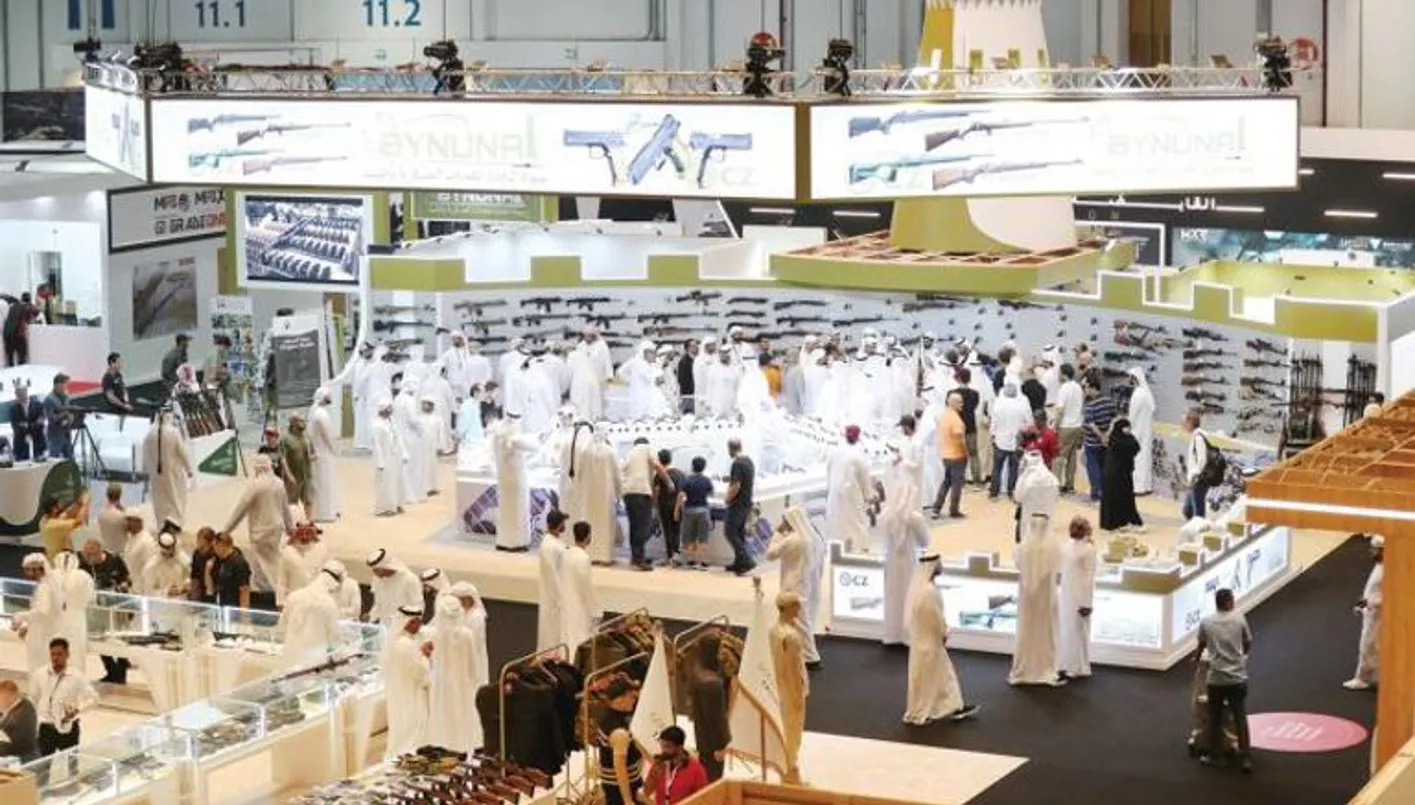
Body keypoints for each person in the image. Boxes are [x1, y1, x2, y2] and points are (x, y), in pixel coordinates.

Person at [904, 553, 980, 725]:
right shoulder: (929, 591)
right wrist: (943, 632)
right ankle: (929, 710)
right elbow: (935, 617)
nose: (941, 566)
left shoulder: (920, 589)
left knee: (941, 677)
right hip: (930, 642)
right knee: (937, 677)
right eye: (939, 563)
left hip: (922, 641)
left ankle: (951, 707)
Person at [221, 454, 294, 609]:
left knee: (264, 565)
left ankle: (274, 594)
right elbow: (285, 509)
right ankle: (274, 590)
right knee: (271, 561)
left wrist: (226, 530)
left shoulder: (256, 485)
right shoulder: (279, 483)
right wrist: (291, 529)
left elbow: (240, 509)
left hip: (261, 531)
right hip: (277, 528)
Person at [883, 415, 930, 646]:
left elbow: (916, 465)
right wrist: (897, 460)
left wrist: (902, 461)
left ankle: (897, 631)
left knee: (898, 593)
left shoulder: (918, 445)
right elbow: (925, 541)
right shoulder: (901, 516)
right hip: (905, 559)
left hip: (911, 485)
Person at [1196, 588, 1253, 772]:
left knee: (1215, 717)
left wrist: (1196, 658)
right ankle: (1246, 757)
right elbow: (1248, 642)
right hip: (1237, 677)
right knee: (1239, 716)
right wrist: (1241, 656)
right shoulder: (1239, 619)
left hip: (1216, 679)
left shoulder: (1206, 622)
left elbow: (1201, 645)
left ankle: (1216, 755)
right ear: (1229, 601)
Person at [1009, 513, 1062, 687]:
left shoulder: (1022, 548)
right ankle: (1044, 667)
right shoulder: (1053, 547)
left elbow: (1017, 563)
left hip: (1027, 599)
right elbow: (1058, 566)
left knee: (1027, 631)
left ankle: (1025, 669)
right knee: (1045, 632)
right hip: (1046, 598)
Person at [426, 594, 480, 754]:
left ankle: (443, 743)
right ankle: (461, 745)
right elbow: (472, 662)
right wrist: (473, 679)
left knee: (443, 712)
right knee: (461, 711)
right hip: (462, 682)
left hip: (441, 682)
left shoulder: (435, 635)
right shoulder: (466, 634)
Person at [30, 638, 97, 761]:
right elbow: (32, 698)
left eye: (59, 654)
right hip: (46, 728)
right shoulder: (40, 674)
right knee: (41, 765)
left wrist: (77, 710)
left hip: (68, 728)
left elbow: (93, 698)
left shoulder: (76, 676)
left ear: (67, 654)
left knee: (72, 765)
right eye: (53, 654)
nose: (55, 658)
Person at [769, 591, 809, 784]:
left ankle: (788, 768)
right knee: (793, 732)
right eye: (796, 605)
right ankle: (790, 773)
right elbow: (794, 670)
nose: (799, 608)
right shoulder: (791, 637)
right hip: (790, 690)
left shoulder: (774, 630)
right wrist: (798, 695)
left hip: (778, 687)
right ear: (787, 608)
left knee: (787, 729)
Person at [383, 605, 433, 760]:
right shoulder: (405, 644)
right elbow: (419, 671)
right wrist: (425, 655)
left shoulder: (399, 641)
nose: (420, 625)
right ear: (409, 622)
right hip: (411, 693)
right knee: (412, 729)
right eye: (417, 622)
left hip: (401, 692)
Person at [78, 539, 132, 683]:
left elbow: (127, 579)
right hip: (97, 608)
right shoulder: (84, 565)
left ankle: (121, 672)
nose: (88, 558)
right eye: (86, 555)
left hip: (117, 606)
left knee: (120, 639)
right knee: (99, 638)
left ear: (99, 550)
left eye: (91, 554)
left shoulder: (114, 560)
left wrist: (120, 587)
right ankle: (111, 670)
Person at [490, 412, 539, 552]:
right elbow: (535, 446)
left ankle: (504, 540)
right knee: (517, 510)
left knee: (505, 510)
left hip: (503, 478)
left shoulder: (498, 433)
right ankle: (516, 542)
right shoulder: (513, 437)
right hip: (516, 479)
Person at [1057, 516, 1097, 680]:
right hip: (1079, 595)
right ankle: (1077, 665)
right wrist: (1087, 603)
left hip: (1067, 593)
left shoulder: (1066, 546)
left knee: (1069, 629)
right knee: (1079, 631)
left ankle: (1066, 663)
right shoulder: (1088, 550)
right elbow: (1089, 578)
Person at [279, 568, 343, 670]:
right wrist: (338, 659)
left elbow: (282, 624)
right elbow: (334, 636)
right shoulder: (329, 603)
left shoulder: (294, 596)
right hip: (314, 661)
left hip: (291, 656)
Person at [826, 424, 875, 554]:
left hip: (835, 495)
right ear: (858, 438)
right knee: (857, 522)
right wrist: (869, 498)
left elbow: (829, 474)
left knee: (837, 524)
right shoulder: (859, 457)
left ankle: (840, 552)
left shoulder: (834, 453)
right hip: (853, 497)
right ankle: (857, 551)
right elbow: (865, 482)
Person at [597, 677, 645, 805]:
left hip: (619, 783)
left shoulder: (608, 716)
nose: (634, 700)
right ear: (619, 699)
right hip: (620, 788)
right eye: (631, 697)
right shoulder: (619, 733)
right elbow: (620, 768)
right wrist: (628, 800)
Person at [143, 409, 192, 533]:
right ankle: (176, 522)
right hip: (174, 473)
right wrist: (189, 469)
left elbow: (145, 455)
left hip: (156, 476)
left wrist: (149, 471)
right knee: (177, 497)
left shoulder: (149, 433)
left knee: (159, 499)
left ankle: (161, 524)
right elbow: (182, 452)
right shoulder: (174, 432)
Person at [1345, 537, 1384, 690]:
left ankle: (1361, 678)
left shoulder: (1388, 570)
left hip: (1378, 615)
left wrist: (1369, 603)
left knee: (1368, 646)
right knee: (1372, 646)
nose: (1372, 552)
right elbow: (1372, 591)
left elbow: (1385, 596)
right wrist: (1362, 604)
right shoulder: (1380, 566)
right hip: (1372, 613)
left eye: (1376, 549)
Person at [621, 437, 662, 570]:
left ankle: (635, 557)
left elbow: (621, 471)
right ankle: (639, 559)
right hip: (641, 492)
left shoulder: (629, 453)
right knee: (643, 526)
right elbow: (657, 465)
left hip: (628, 493)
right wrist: (669, 481)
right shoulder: (647, 448)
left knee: (634, 526)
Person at [14, 554, 58, 673]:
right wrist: (27, 625)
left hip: (43, 634)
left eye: (29, 570)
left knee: (39, 668)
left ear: (38, 569)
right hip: (43, 632)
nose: (27, 573)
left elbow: (42, 612)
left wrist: (20, 616)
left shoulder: (45, 587)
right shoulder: (47, 584)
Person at [645, 725, 710, 805]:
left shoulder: (696, 770)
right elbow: (646, 792)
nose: (663, 751)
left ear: (680, 748)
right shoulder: (659, 765)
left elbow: (704, 799)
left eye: (667, 747)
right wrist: (653, 777)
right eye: (662, 746)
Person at [1099, 418, 1144, 532]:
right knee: (1115, 498)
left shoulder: (1126, 438)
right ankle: (1113, 523)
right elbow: (1130, 448)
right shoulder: (1116, 441)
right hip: (1115, 475)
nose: (1128, 429)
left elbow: (1136, 447)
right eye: (1125, 427)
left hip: (1124, 474)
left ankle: (1124, 521)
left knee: (1126, 498)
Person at [989, 382, 1032, 501]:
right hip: (1016, 441)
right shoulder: (1022, 406)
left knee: (997, 468)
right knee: (1014, 468)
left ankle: (994, 493)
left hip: (1000, 440)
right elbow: (1029, 423)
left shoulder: (998, 405)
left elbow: (993, 423)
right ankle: (1011, 493)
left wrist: (992, 435)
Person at [561, 521, 600, 650]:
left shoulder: (566, 554)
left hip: (566, 605)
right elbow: (586, 587)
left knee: (567, 639)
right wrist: (596, 610)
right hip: (580, 609)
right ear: (588, 536)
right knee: (579, 641)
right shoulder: (583, 558)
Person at [931, 392, 968, 519]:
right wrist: (965, 451)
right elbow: (959, 437)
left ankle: (936, 507)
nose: (962, 404)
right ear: (953, 403)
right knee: (957, 484)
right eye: (960, 402)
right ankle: (954, 509)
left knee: (946, 482)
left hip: (945, 454)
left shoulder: (943, 415)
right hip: (957, 455)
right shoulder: (955, 420)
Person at [723, 439, 756, 575]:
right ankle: (739, 563)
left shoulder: (737, 463)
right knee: (739, 532)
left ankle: (746, 560)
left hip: (737, 503)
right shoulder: (749, 461)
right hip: (747, 501)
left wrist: (728, 498)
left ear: (730, 449)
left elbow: (736, 485)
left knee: (730, 532)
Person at [538, 510, 570, 651]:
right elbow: (552, 574)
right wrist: (560, 596)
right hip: (554, 598)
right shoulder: (549, 546)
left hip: (560, 594)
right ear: (559, 524)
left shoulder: (555, 542)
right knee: (553, 633)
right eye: (563, 522)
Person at [276, 524, 328, 608]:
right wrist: (280, 602)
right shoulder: (287, 552)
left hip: (316, 601)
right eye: (301, 533)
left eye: (307, 533)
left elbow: (326, 576)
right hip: (294, 601)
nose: (304, 536)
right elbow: (282, 581)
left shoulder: (321, 549)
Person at [366, 549, 423, 626]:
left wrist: (411, 625)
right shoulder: (377, 579)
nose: (374, 573)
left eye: (376, 570)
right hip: (383, 626)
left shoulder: (409, 578)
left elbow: (418, 605)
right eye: (373, 570)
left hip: (404, 626)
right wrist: (370, 618)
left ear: (386, 567)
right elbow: (378, 604)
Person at [307, 388, 340, 523]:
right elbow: (328, 436)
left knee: (320, 483)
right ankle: (326, 512)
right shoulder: (322, 415)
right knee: (325, 484)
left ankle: (323, 511)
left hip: (318, 452)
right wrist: (334, 449)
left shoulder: (314, 413)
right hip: (324, 453)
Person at [372, 398, 408, 516]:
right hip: (385, 457)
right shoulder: (377, 425)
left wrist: (403, 453)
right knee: (385, 483)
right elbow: (377, 445)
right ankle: (384, 508)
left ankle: (396, 504)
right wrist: (380, 462)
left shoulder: (391, 421)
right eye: (388, 408)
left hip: (394, 457)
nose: (391, 410)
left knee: (396, 481)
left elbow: (398, 437)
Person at [1082, 380, 1117, 503]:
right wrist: (1107, 434)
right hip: (1106, 442)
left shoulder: (1089, 406)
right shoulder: (1109, 401)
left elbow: (1091, 424)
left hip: (1092, 442)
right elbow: (1114, 419)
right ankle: (1104, 492)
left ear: (1093, 387)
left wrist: (1101, 436)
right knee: (1103, 467)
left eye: (1086, 387)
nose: (1085, 390)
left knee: (1093, 467)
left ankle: (1095, 492)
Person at [1054, 364, 1085, 494]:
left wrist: (1056, 425)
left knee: (1058, 458)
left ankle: (1056, 486)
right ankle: (1070, 485)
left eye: (1059, 373)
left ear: (1064, 374)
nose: (1058, 375)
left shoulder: (1064, 388)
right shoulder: (1078, 387)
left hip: (1066, 426)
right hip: (1077, 426)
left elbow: (1060, 410)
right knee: (1072, 458)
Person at [679, 457, 714, 570]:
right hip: (703, 510)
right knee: (703, 537)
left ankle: (691, 560)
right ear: (704, 467)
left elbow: (681, 495)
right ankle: (703, 562)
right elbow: (711, 494)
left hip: (689, 510)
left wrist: (680, 508)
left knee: (690, 537)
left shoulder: (687, 480)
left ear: (692, 466)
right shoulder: (707, 480)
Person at [1125, 368, 1156, 495]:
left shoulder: (1137, 394)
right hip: (1146, 431)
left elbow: (1132, 415)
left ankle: (1137, 488)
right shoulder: (1146, 393)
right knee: (1145, 458)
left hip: (1137, 431)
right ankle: (1146, 486)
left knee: (1137, 460)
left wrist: (1127, 426)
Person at [280, 414, 315, 521]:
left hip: (307, 475)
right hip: (293, 477)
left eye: (304, 421)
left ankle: (309, 522)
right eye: (301, 421)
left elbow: (314, 454)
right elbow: (282, 459)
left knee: (308, 500)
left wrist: (312, 457)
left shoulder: (307, 437)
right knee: (291, 503)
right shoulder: (285, 439)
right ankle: (291, 524)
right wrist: (288, 475)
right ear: (293, 423)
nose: (303, 424)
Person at [950, 368, 983, 485]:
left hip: (956, 427)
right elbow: (974, 407)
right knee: (974, 454)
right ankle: (977, 480)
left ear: (958, 378)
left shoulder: (951, 394)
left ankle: (960, 479)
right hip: (970, 426)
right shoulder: (975, 394)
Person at [654, 449, 685, 567]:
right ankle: (676, 556)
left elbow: (656, 492)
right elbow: (681, 493)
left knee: (668, 532)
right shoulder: (680, 474)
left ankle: (670, 556)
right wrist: (677, 508)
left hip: (664, 506)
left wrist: (655, 507)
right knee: (676, 531)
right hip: (677, 505)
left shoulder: (659, 475)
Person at [1183, 410, 1216, 520]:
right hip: (1196, 479)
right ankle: (1195, 525)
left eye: (1184, 422)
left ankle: (1198, 527)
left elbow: (1202, 460)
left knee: (1197, 511)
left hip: (1199, 479)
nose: (1183, 425)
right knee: (1188, 510)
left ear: (1190, 422)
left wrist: (1194, 475)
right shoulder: (1197, 436)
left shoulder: (1198, 438)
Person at [141, 532, 190, 598]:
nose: (169, 556)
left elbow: (189, 574)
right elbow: (148, 593)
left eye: (172, 553)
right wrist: (166, 592)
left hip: (184, 600)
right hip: (164, 602)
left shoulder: (181, 557)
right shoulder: (152, 566)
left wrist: (187, 584)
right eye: (165, 554)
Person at [210, 532, 252, 609]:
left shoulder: (239, 562)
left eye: (215, 547)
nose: (215, 550)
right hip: (222, 603)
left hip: (234, 605)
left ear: (221, 545)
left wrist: (244, 612)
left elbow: (244, 589)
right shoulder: (219, 561)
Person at [0, 679, 38, 762]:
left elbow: (13, 745)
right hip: (20, 752)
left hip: (23, 758)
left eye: (1, 699)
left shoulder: (21, 715)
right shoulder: (21, 702)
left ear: (10, 697)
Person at [39, 494, 85, 559]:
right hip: (60, 561)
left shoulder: (44, 520)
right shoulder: (53, 525)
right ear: (54, 509)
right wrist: (85, 505)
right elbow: (78, 522)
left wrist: (78, 503)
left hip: (57, 558)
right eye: (58, 504)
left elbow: (66, 514)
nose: (61, 505)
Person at [9, 383, 45, 461]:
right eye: (18, 395)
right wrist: (29, 427)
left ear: (26, 392)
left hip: (37, 442)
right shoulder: (13, 409)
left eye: (22, 393)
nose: (20, 396)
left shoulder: (37, 405)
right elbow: (15, 426)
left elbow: (41, 423)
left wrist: (27, 426)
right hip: (21, 445)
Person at [42, 373, 74, 460]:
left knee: (70, 459)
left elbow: (71, 410)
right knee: (54, 459)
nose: (66, 386)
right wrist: (65, 414)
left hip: (67, 433)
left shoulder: (67, 396)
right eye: (65, 384)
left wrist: (71, 417)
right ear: (58, 384)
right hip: (55, 435)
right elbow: (51, 418)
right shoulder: (49, 399)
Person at [95, 484, 128, 556]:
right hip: (121, 553)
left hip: (106, 552)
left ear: (107, 495)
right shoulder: (122, 515)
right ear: (120, 495)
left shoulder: (101, 513)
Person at [677, 340, 698, 414]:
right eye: (693, 346)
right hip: (688, 395)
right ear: (688, 348)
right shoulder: (683, 361)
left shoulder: (698, 359)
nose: (696, 347)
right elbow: (682, 379)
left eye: (696, 345)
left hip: (696, 394)